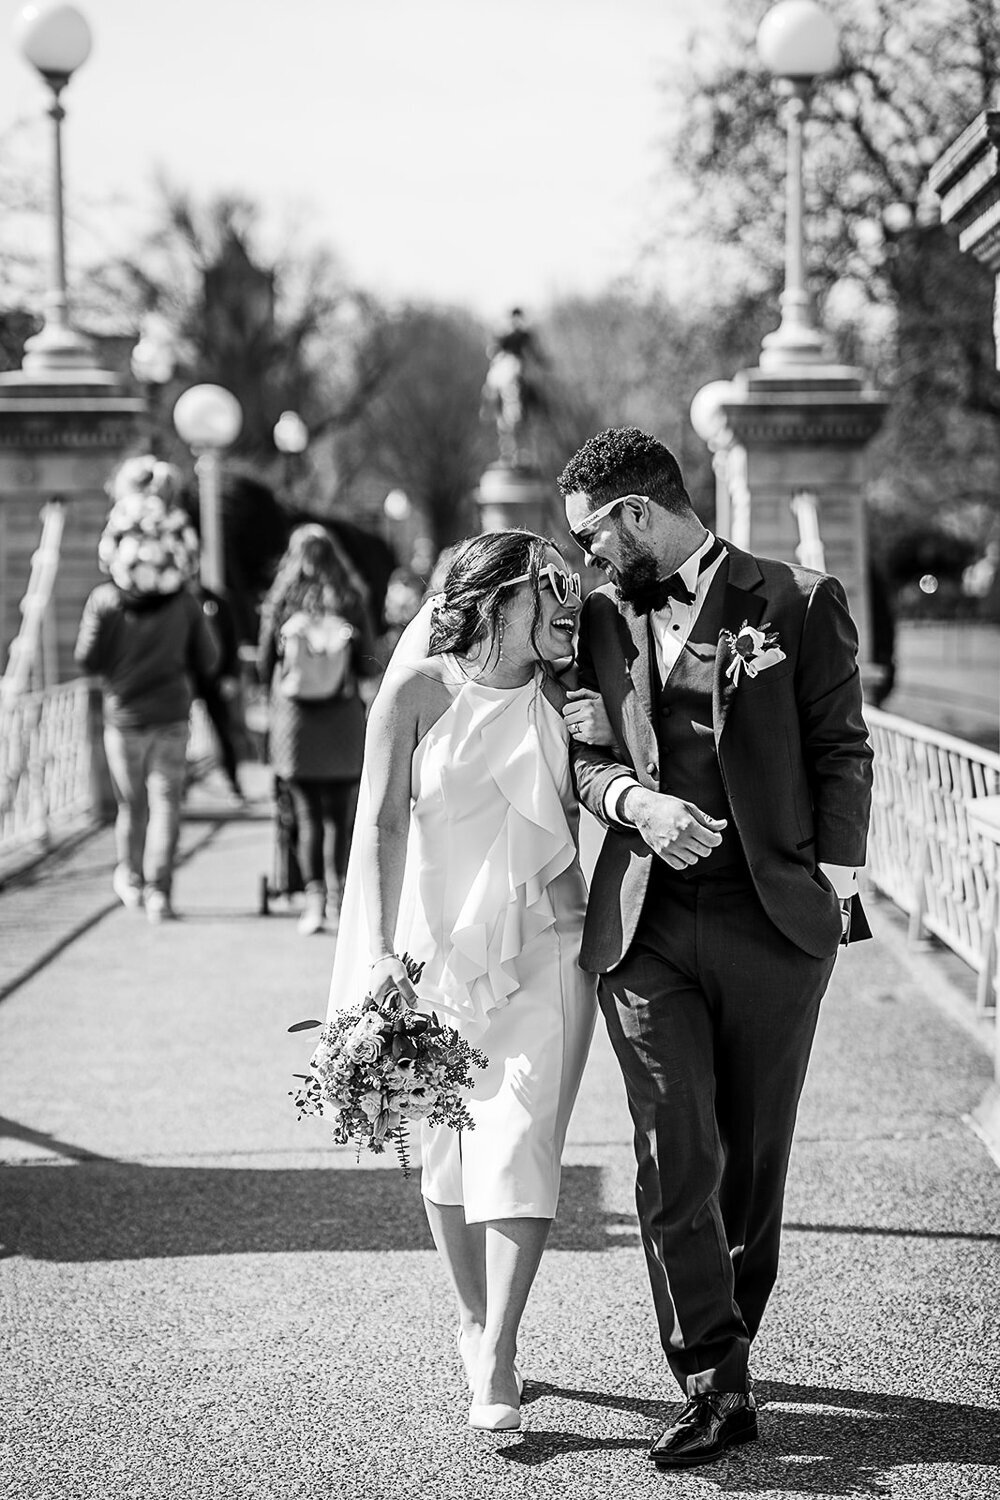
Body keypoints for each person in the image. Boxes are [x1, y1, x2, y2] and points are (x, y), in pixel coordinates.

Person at [557, 427, 874, 1470]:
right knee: (670, 1149)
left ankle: (727, 1323)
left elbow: (841, 748)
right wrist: (636, 804)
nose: (591, 560)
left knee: (752, 1155)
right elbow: (585, 751)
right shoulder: (598, 620)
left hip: (770, 920)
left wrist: (830, 890)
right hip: (644, 925)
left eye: (595, 534)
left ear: (637, 513)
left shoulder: (797, 599)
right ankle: (713, 1378)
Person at [326, 530, 608, 1432]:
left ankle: (500, 1349)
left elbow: (618, 771)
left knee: (522, 1136)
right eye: (550, 588)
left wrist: (611, 745)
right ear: (495, 601)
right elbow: (376, 827)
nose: (569, 604)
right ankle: (470, 1315)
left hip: (551, 944)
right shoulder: (415, 691)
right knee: (447, 1149)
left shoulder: (571, 686)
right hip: (435, 953)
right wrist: (380, 963)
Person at [75, 456, 221, 923]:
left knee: (131, 807)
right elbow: (211, 660)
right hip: (174, 715)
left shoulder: (104, 600)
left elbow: (86, 659)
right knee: (166, 807)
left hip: (123, 718)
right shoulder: (184, 602)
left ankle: (131, 877)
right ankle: (160, 891)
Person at [258, 524, 378, 936]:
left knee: (306, 814)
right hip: (342, 717)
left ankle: (311, 900)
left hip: (296, 721)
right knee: (342, 815)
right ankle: (338, 897)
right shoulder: (350, 598)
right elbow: (366, 664)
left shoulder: (281, 602)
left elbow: (263, 665)